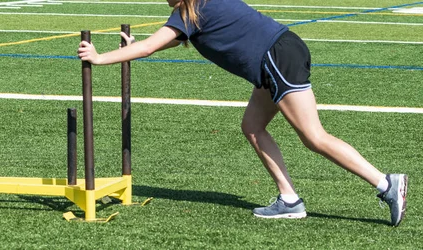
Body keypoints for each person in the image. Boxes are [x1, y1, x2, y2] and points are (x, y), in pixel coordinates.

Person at [77, 0, 407, 226]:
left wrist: (98, 57)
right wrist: (135, 45)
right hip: (278, 56)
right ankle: (289, 200)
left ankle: (385, 183)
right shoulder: (196, 9)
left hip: (277, 58)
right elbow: (165, 40)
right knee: (252, 126)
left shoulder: (190, 8)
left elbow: (150, 47)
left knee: (314, 137)